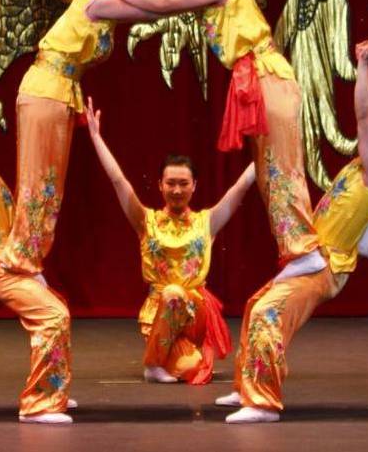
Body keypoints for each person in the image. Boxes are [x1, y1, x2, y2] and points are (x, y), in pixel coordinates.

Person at [0, 0, 165, 422]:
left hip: (57, 96)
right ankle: (19, 259)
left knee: (48, 195)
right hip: (44, 91)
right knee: (38, 189)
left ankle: (30, 260)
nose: (136, 0)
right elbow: (147, 10)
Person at [219, 40, 368, 422]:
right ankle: (246, 386)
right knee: (259, 306)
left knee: (270, 312)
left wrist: (364, 66)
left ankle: (263, 402)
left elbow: (367, 118)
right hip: (313, 257)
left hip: (325, 267)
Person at [104, 0, 319, 271]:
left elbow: (163, 5)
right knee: (268, 171)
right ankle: (294, 247)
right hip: (257, 80)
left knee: (282, 167)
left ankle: (304, 248)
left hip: (267, 76)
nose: (176, 1)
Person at [82, 95, 255, 384]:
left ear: (194, 186)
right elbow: (119, 181)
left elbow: (240, 187)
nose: (177, 190)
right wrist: (97, 138)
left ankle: (153, 361)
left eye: (183, 183)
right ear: (160, 185)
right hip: (159, 311)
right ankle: (162, 358)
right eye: (171, 183)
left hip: (194, 312)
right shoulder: (146, 221)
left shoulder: (206, 222)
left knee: (178, 294)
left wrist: (269, 147)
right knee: (191, 368)